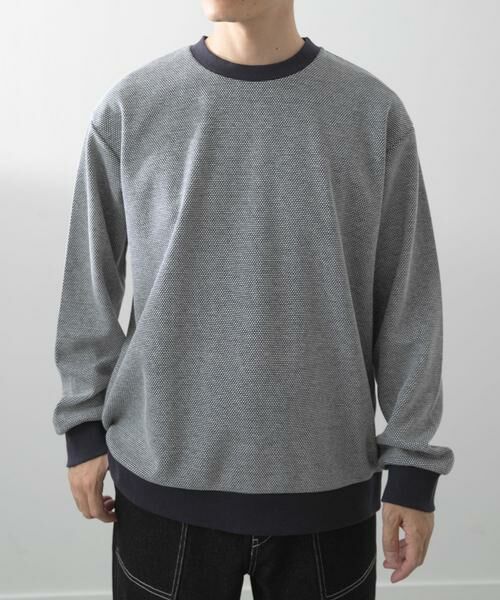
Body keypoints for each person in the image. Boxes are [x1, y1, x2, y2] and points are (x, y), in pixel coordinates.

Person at [52, 1, 455, 598]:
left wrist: (413, 467)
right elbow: (88, 283)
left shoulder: (372, 114)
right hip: (163, 485)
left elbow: (409, 301)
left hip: (326, 493)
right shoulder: (132, 109)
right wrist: (83, 426)